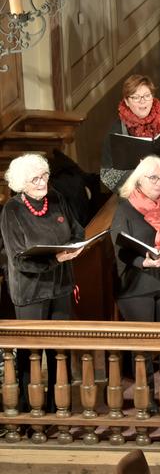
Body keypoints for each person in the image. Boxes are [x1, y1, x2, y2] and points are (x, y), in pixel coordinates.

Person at [1, 153, 84, 413]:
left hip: (61, 286)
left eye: (44, 176)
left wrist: (76, 246)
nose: (41, 182)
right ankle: (31, 412)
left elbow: (77, 230)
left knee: (61, 350)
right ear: (21, 184)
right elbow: (18, 259)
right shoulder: (12, 210)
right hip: (31, 291)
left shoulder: (56, 197)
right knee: (32, 354)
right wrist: (57, 258)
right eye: (34, 179)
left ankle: (61, 409)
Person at [110, 155, 160, 412]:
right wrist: (144, 262)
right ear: (138, 181)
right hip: (138, 284)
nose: (158, 182)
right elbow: (120, 250)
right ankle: (148, 394)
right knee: (144, 345)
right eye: (153, 177)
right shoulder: (125, 209)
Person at [100, 75, 160, 218]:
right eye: (136, 97)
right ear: (127, 101)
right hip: (136, 194)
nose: (142, 102)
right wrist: (139, 176)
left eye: (146, 96)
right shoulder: (116, 131)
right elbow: (106, 174)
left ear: (153, 96)